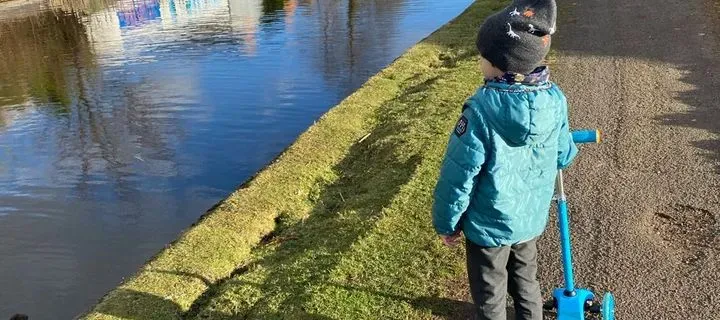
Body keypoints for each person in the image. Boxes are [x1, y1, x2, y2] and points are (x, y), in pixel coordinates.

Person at [431, 1, 577, 319]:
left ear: (499, 64)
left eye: (482, 57)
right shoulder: (554, 99)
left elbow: (458, 176)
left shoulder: (480, 111)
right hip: (528, 219)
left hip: (488, 225)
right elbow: (564, 154)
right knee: (527, 283)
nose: (479, 62)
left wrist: (447, 223)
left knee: (490, 294)